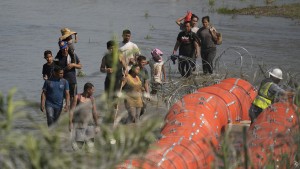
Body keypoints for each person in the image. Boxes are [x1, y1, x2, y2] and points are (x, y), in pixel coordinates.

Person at [69, 82, 100, 152]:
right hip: (79, 125)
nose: (93, 91)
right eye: (92, 90)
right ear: (88, 90)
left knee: (90, 147)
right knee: (78, 147)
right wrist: (70, 123)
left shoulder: (92, 99)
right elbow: (71, 111)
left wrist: (97, 125)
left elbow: (94, 112)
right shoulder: (77, 97)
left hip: (90, 125)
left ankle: (89, 161)